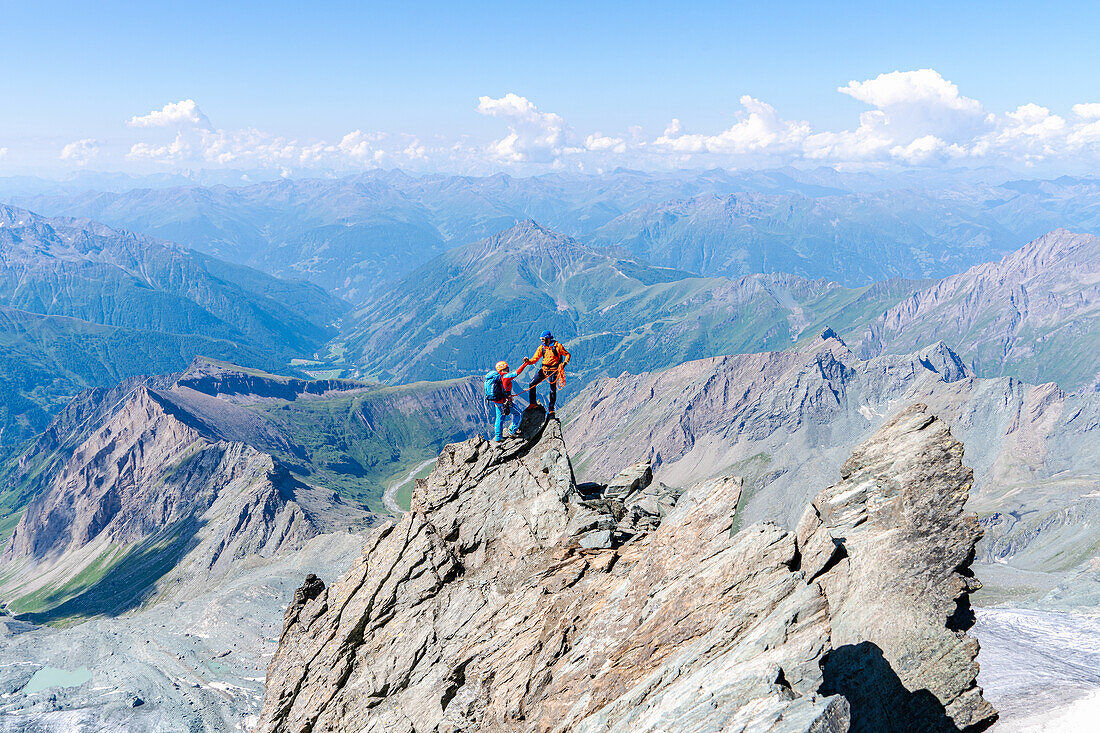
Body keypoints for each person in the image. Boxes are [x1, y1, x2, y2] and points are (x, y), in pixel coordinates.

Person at [523, 330, 571, 417]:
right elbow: (535, 359)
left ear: (548, 338)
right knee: (532, 384)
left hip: (554, 370)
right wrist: (528, 361)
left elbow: (567, 354)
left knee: (552, 390)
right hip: (544, 369)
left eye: (543, 339)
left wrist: (565, 363)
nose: (542, 341)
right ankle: (532, 403)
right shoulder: (542, 348)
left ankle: (551, 408)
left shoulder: (558, 346)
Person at [485, 360, 528, 442]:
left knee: (499, 418)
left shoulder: (495, 378)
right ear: (503, 369)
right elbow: (517, 372)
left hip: (497, 402)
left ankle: (498, 437)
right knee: (518, 414)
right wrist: (525, 363)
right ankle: (512, 432)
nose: (508, 369)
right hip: (505, 402)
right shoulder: (506, 377)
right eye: (507, 368)